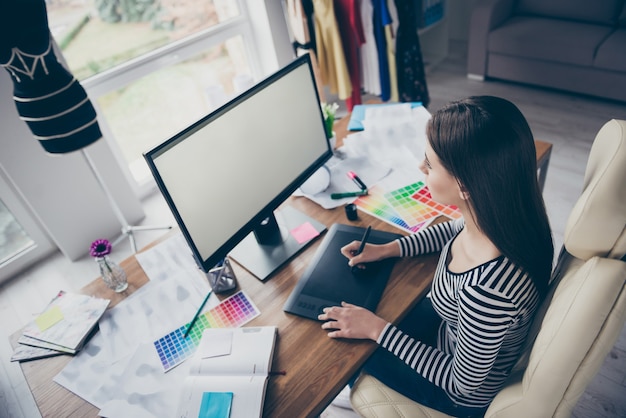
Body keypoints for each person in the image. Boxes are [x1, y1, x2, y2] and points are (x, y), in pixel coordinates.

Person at [319, 96, 554, 417]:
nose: (420, 167)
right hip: (451, 331)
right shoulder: (503, 219)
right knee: (370, 309)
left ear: (465, 185)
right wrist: (388, 249)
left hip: (456, 393)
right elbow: (453, 231)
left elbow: (462, 384)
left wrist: (377, 330)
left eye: (429, 164)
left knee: (344, 354)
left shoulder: (487, 290)